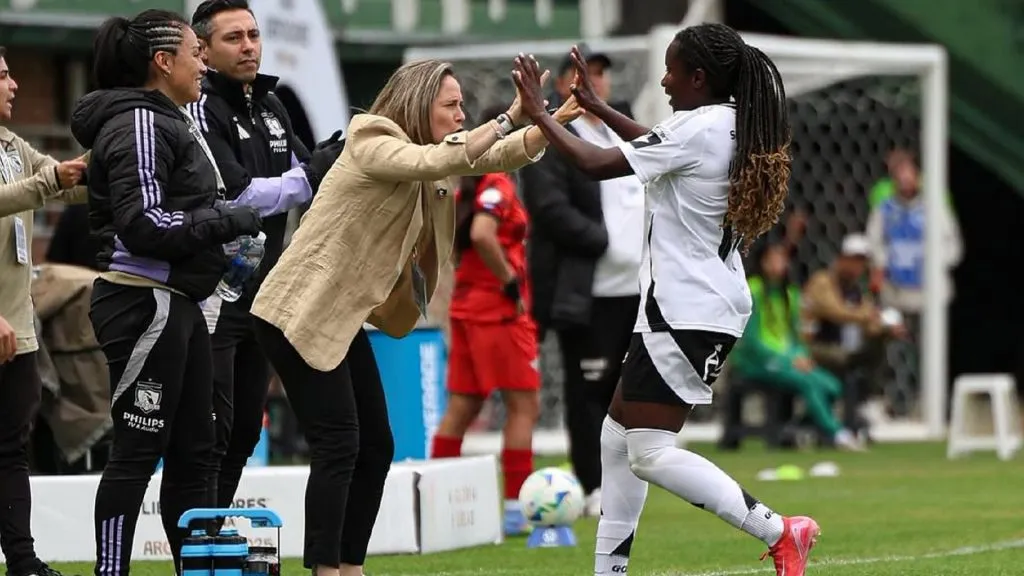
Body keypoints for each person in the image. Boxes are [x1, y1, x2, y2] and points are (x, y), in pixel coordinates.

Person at [249, 59, 582, 576]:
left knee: (376, 444)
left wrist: (547, 121)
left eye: (461, 105)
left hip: (338, 320)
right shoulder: (370, 135)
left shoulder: (435, 156)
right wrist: (510, 114)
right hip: (294, 314)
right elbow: (432, 161)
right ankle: (324, 570)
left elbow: (491, 155)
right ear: (416, 104)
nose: (461, 113)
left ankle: (349, 565)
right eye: (450, 105)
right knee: (339, 443)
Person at [511, 24, 820, 576]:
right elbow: (653, 143)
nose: (663, 79)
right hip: (689, 305)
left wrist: (538, 112)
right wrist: (600, 109)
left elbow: (595, 164)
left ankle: (779, 530)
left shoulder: (700, 129)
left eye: (673, 70)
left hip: (685, 311)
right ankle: (609, 571)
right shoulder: (724, 123)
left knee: (648, 452)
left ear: (699, 78)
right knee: (616, 437)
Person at [69, 10, 263, 574]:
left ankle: (196, 570)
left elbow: (176, 212)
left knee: (197, 450)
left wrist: (221, 226)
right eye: (194, 52)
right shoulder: (139, 122)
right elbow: (144, 224)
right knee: (137, 452)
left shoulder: (168, 119)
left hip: (176, 303)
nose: (203, 62)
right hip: (141, 300)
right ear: (163, 62)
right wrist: (227, 221)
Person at [188, 0, 345, 509]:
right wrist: (308, 176)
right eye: (233, 38)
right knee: (211, 429)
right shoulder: (200, 108)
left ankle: (213, 534)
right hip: (211, 292)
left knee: (243, 435)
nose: (249, 45)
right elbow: (235, 194)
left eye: (253, 34)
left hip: (263, 293)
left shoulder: (272, 105)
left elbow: (315, 173)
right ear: (204, 51)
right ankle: (195, 546)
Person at [519, 46, 644, 517]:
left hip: (638, 289)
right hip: (587, 291)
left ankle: (630, 482)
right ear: (562, 82)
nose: (596, 81)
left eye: (600, 74)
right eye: (585, 73)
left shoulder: (624, 127)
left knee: (628, 391)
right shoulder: (555, 135)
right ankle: (593, 484)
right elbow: (548, 208)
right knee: (588, 391)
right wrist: (604, 240)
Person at [430, 105, 540, 536]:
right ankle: (516, 507)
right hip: (497, 313)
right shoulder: (496, 186)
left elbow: (459, 244)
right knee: (523, 405)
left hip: (465, 309)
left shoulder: (465, 190)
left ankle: (435, 500)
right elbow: (481, 234)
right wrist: (509, 282)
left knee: (464, 405)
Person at [0, 44, 87, 576]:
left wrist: (124, 145)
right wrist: (52, 181)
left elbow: (67, 183)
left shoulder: (11, 144)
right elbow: (34, 188)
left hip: (18, 327)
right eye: (4, 76)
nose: (13, 86)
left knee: (11, 449)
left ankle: (24, 561)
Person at [730, 242, 862, 450]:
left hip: (787, 359)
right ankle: (837, 434)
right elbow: (752, 340)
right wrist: (789, 358)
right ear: (762, 262)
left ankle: (795, 428)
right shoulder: (751, 290)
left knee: (832, 387)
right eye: (772, 259)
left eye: (781, 259)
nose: (777, 264)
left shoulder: (790, 294)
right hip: (757, 360)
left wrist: (801, 354)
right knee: (808, 383)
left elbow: (796, 336)